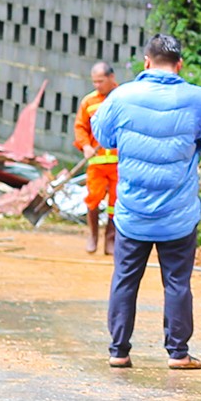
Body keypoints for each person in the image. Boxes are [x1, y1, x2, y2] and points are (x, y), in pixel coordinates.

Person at [94, 34, 201, 371]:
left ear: (146, 62)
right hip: (178, 213)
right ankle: (178, 353)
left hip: (132, 212)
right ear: (179, 65)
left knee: (125, 278)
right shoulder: (197, 99)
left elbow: (103, 136)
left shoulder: (122, 96)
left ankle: (118, 350)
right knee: (177, 282)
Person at [73, 61, 117, 255]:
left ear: (111, 78)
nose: (97, 85)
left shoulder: (123, 98)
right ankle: (93, 236)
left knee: (116, 203)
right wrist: (86, 146)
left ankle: (111, 239)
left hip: (119, 163)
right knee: (93, 199)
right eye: (94, 82)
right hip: (97, 162)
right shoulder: (88, 102)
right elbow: (80, 126)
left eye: (100, 81)